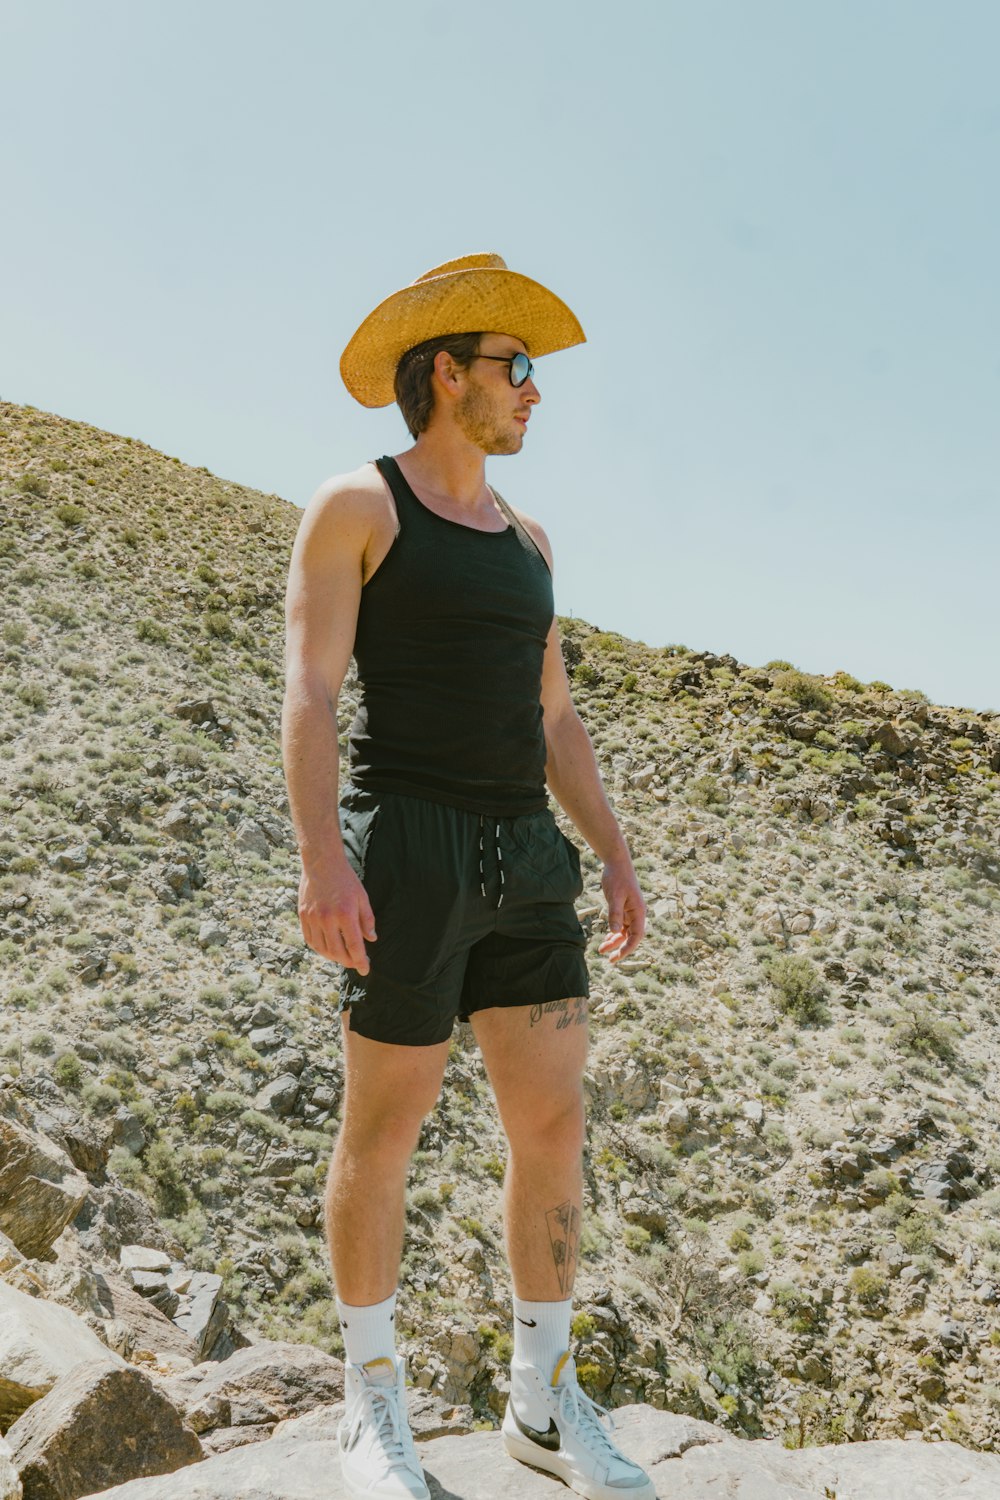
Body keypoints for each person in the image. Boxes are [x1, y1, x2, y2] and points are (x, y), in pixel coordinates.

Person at [282, 253, 651, 1500]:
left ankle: (540, 1405)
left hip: (525, 858)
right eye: (516, 369)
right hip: (412, 850)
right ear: (448, 375)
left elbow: (554, 717)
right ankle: (370, 1406)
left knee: (551, 1126)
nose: (534, 393)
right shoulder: (360, 507)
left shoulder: (531, 542)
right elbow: (313, 691)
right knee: (384, 1129)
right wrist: (324, 859)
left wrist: (610, 851)